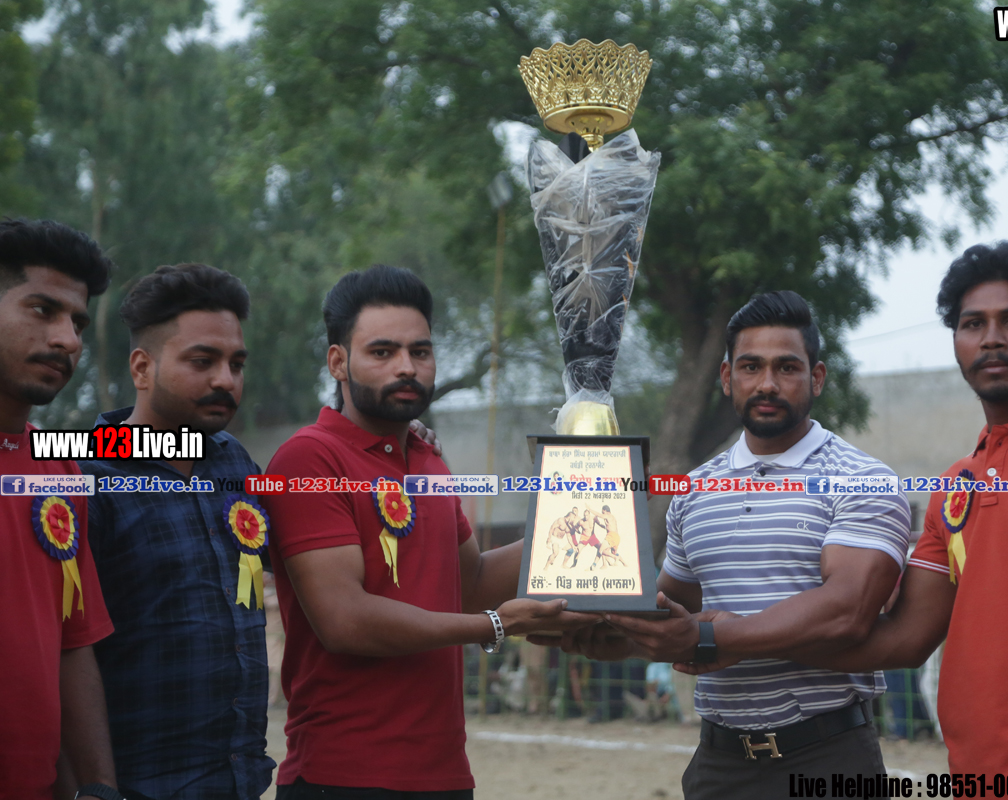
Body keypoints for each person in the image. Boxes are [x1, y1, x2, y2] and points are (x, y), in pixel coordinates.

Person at [699, 244, 1008, 775]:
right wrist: (736, 641)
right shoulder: (956, 484)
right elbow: (905, 638)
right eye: (973, 324)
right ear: (957, 342)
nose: (991, 338)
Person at [543, 291, 912, 797]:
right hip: (718, 765)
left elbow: (846, 612)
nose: (767, 383)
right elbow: (673, 613)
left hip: (827, 756)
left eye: (787, 367)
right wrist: (607, 627)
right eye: (750, 367)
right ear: (726, 377)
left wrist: (712, 638)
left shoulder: (863, 480)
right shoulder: (694, 490)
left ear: (817, 378)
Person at [261, 265, 590, 798]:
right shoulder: (309, 459)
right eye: (382, 352)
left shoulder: (428, 457)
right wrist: (493, 626)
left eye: (420, 351)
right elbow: (345, 621)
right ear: (338, 362)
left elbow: (471, 583)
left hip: (445, 775)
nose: (406, 367)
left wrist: (578, 515)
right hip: (342, 776)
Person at [79, 264, 276, 798]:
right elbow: (63, 651)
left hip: (240, 782)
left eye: (237, 364)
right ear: (142, 368)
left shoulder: (234, 461)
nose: (226, 380)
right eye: (202, 361)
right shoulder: (86, 477)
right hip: (138, 785)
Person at [0, 218, 121, 799]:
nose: (69, 339)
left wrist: (99, 788)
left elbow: (72, 644)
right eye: (43, 310)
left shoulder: (61, 470)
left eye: (77, 322)